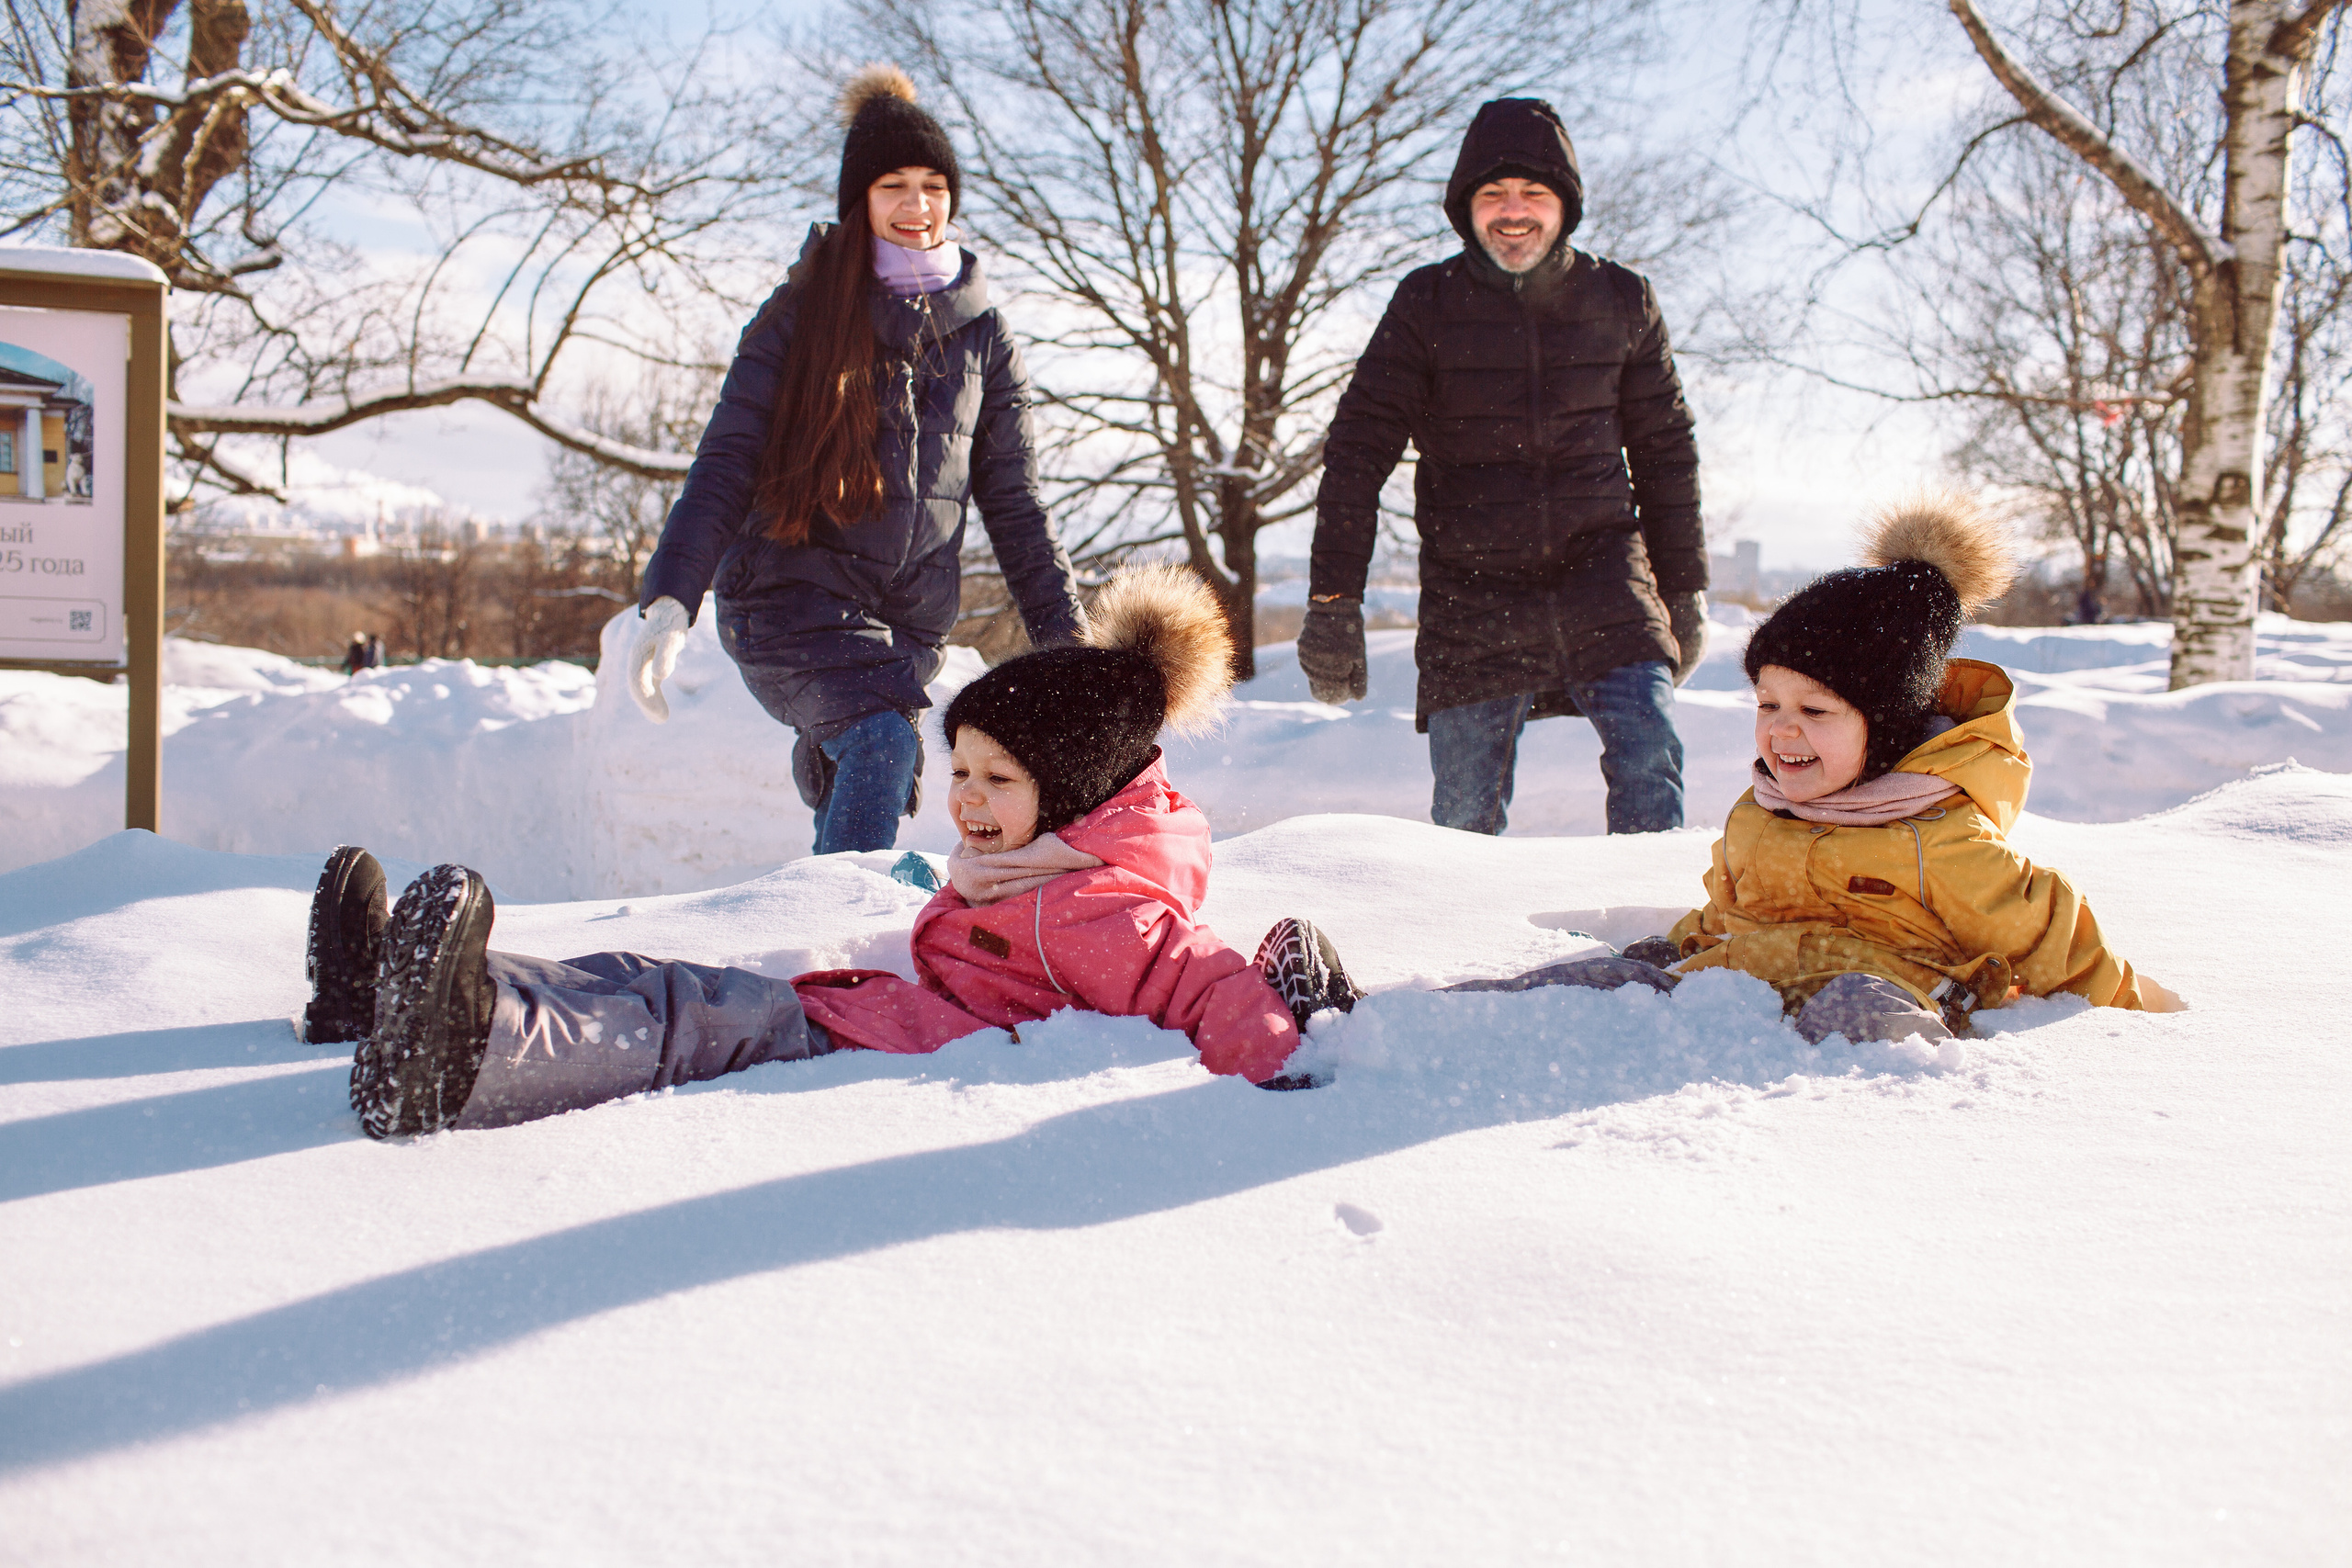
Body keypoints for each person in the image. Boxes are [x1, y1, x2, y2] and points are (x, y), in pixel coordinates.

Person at [306, 568, 1362, 1139]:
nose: (966, 801)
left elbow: (1206, 988)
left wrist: (1294, 1041)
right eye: (961, 772)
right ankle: (398, 991)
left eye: (999, 783)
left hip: (875, 1050)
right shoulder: (1047, 869)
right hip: (868, 1015)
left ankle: (460, 1058)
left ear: (1075, 794)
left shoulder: (1111, 911)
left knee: (678, 1023)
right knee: (651, 985)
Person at [1449, 493, 2178, 1043]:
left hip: (1885, 996)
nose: (1783, 729)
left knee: (1855, 1007)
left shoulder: (1942, 837)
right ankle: (1426, 1026)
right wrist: (1678, 946)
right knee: (1599, 983)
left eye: (1817, 711)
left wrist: (2132, 1021)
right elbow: (1736, 911)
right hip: (1737, 985)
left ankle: (1846, 1113)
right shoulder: (1759, 812)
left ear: (1884, 728)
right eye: (1768, 703)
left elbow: (2054, 938)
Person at [628, 64, 1085, 855]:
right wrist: (672, 594)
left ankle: (831, 940)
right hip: (786, 600)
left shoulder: (982, 334)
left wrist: (1068, 640)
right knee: (883, 742)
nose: (918, 206)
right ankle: (839, 949)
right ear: (860, 201)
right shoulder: (801, 313)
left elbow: (1015, 503)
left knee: (858, 780)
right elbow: (727, 458)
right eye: (894, 186)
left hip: (901, 626)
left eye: (934, 185)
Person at [1301, 96, 1706, 838]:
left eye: (1533, 194)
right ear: (1466, 207)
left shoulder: (1623, 301)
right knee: (1463, 816)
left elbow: (1665, 452)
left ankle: (1657, 945)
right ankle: (1464, 947)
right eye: (1493, 195)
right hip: (1472, 586)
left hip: (1603, 573)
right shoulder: (1426, 303)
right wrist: (1333, 601)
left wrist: (1685, 587)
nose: (1513, 212)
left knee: (1651, 753)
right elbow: (1358, 450)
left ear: (1564, 206)